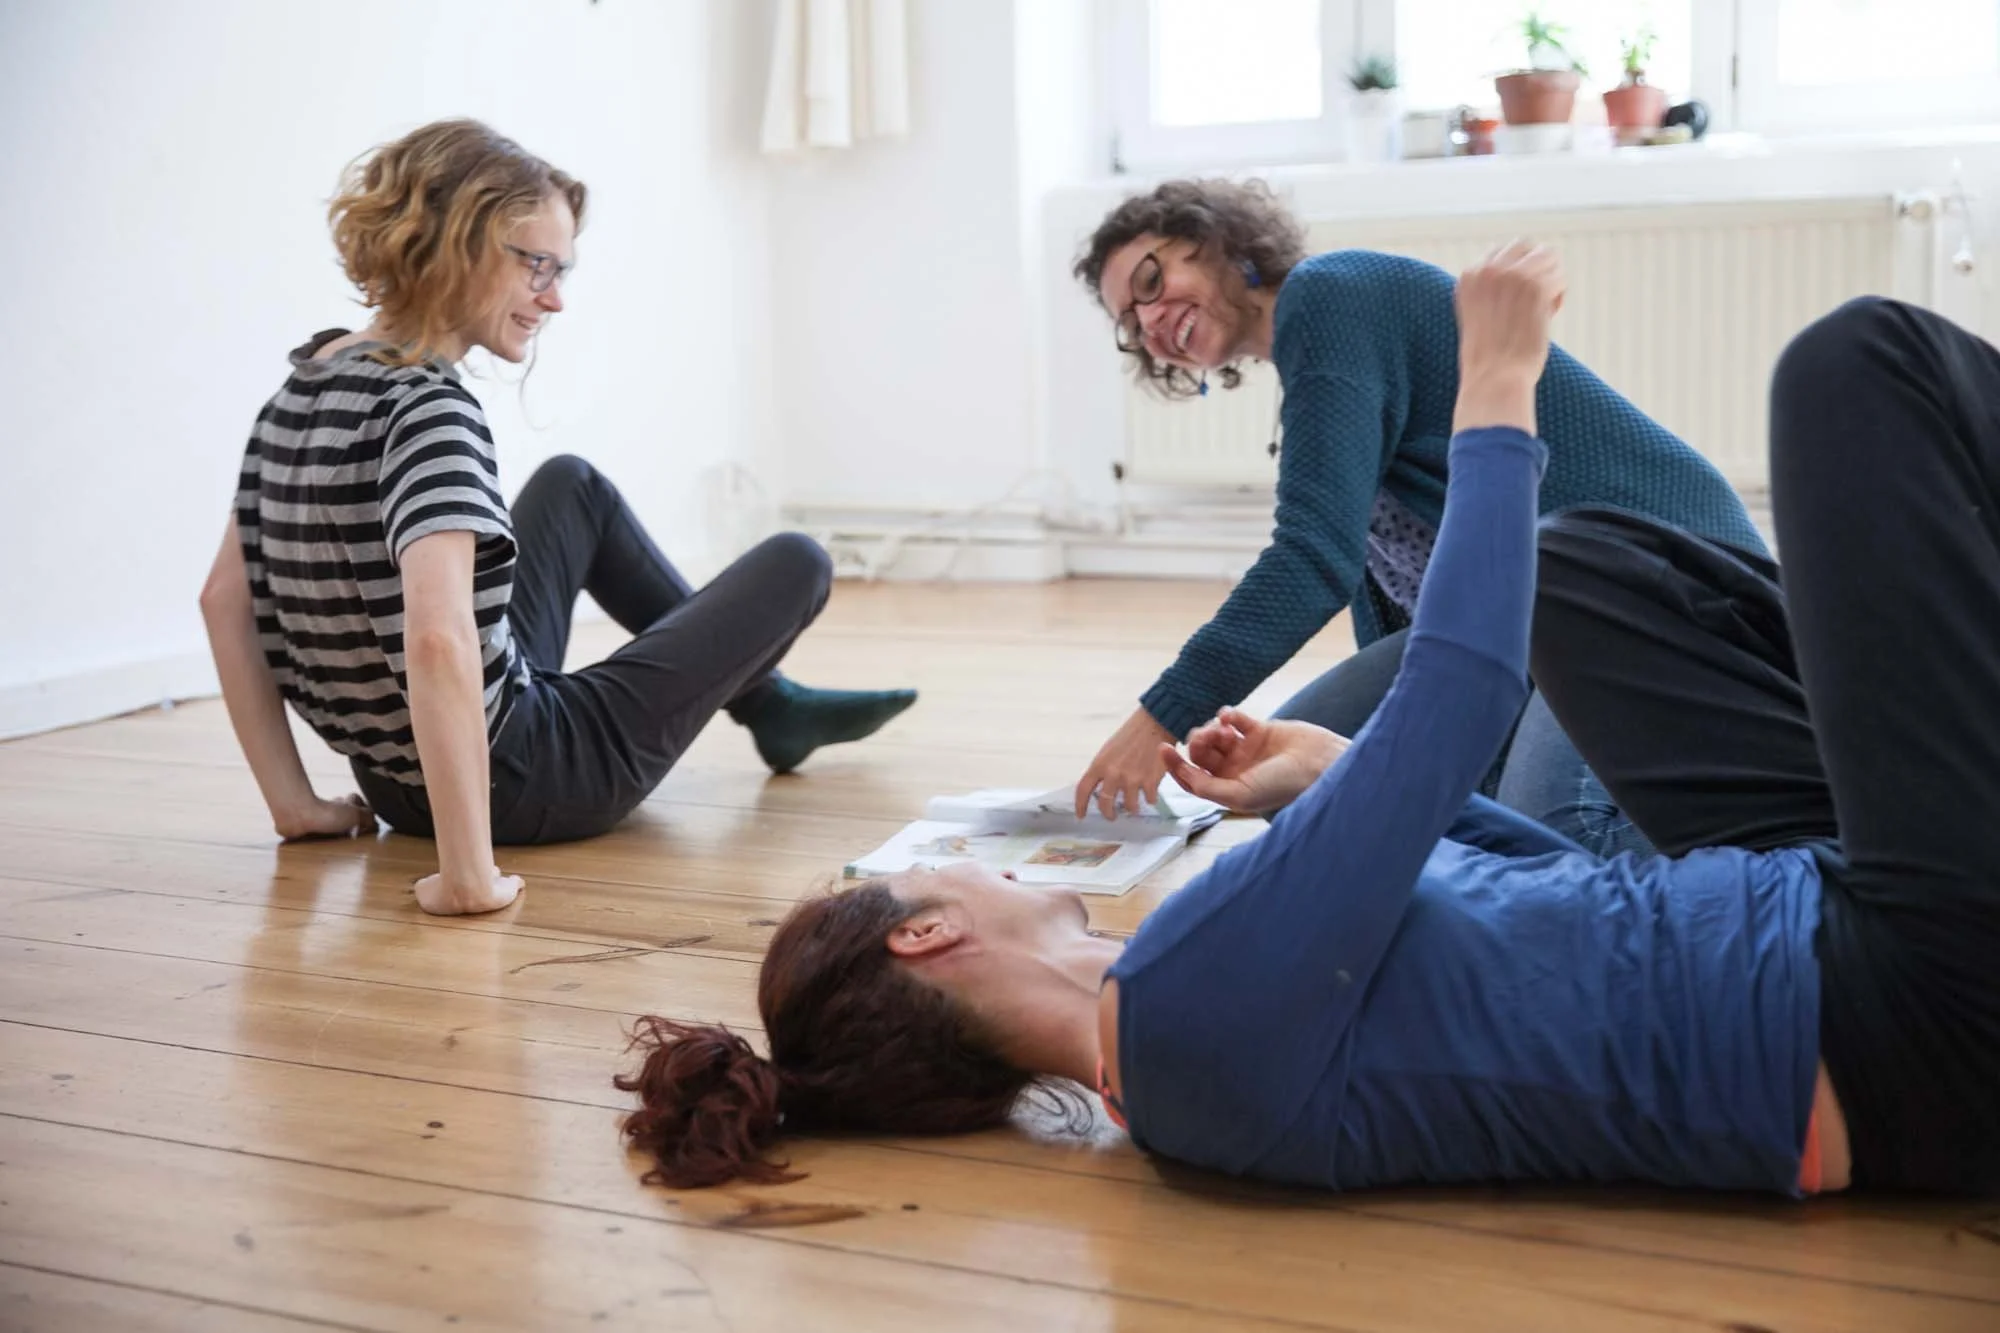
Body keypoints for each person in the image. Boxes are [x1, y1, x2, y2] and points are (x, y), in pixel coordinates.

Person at [615, 250, 2000, 1198]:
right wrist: (1497, 381)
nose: (966, 865)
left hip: (1805, 927)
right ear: (925, 934)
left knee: (1574, 565)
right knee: (1855, 364)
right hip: (1904, 1001)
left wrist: (1329, 779)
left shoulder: (1176, 1042)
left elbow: (1557, 903)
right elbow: (1458, 689)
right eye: (928, 876)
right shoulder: (1188, 996)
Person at [199, 119, 915, 916]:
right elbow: (436, 639)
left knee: (572, 485)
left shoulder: (302, 385)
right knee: (798, 560)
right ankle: (769, 701)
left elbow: (223, 602)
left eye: (560, 268)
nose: (554, 297)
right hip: (530, 780)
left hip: (398, 785)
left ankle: (768, 702)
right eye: (536, 264)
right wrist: (467, 874)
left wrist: (296, 804)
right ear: (459, 242)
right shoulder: (429, 410)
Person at [1069, 179, 1766, 858]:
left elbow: (1312, 558)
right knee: (1287, 781)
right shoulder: (1311, 356)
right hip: (1531, 623)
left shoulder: (1329, 296)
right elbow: (1408, 607)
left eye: (1151, 281)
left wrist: (1160, 715)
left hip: (1648, 584)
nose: (1149, 321)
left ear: (1213, 239)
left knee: (1568, 838)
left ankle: (1782, 808)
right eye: (1130, 324)